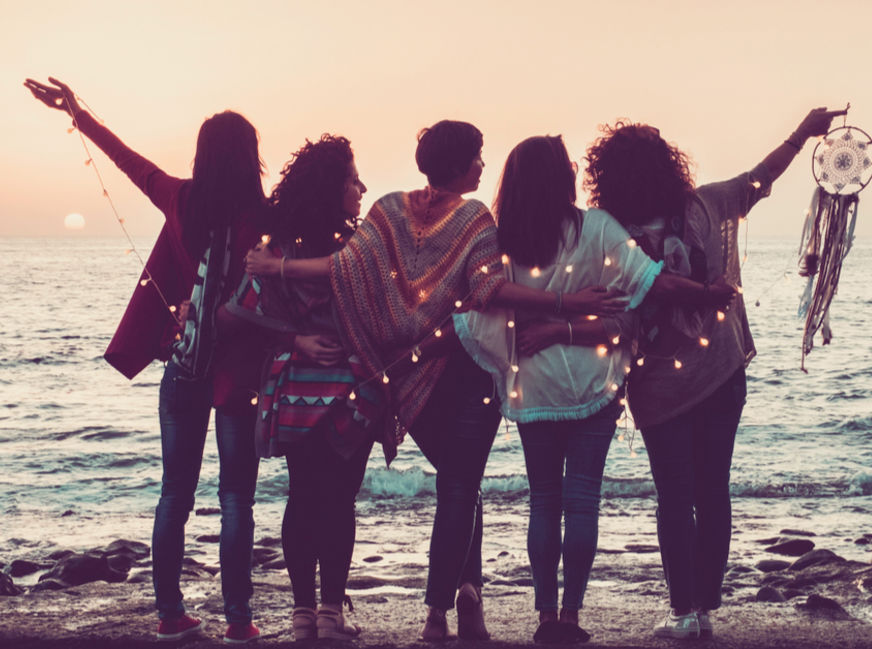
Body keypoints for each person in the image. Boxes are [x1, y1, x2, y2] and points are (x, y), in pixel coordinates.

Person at [245, 120, 624, 641]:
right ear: (462, 161)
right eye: (479, 156)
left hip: (407, 377)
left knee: (454, 488)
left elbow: (342, 269)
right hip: (466, 375)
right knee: (461, 489)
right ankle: (445, 611)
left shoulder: (386, 210)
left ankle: (454, 608)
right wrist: (565, 302)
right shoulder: (475, 218)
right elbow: (490, 290)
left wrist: (283, 268)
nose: (484, 166)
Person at [454, 135, 735, 644]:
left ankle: (543, 617)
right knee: (582, 499)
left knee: (543, 499)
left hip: (535, 385)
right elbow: (652, 283)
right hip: (594, 383)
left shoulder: (503, 240)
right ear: (562, 177)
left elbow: (485, 305)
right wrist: (707, 292)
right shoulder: (597, 228)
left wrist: (544, 319)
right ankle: (571, 615)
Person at [582, 107, 845, 639]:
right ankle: (703, 602)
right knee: (712, 490)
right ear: (667, 165)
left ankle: (686, 614)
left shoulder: (608, 232)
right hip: (723, 369)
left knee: (674, 496)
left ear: (608, 175)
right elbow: (762, 176)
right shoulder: (706, 204)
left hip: (657, 383)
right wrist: (803, 132)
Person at [25, 77, 268, 644]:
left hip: (183, 363)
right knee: (236, 496)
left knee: (174, 493)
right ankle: (238, 621)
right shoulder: (264, 215)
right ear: (251, 155)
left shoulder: (179, 196)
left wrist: (77, 112)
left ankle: (169, 614)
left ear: (203, 153)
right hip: (238, 373)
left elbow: (126, 161)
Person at [220, 135, 376, 641]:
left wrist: (293, 338)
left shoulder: (277, 249)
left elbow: (245, 310)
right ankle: (330, 614)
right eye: (354, 179)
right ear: (334, 187)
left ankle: (303, 615)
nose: (361, 187)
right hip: (351, 394)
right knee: (339, 501)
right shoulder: (356, 248)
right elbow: (379, 313)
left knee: (304, 497)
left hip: (294, 396)